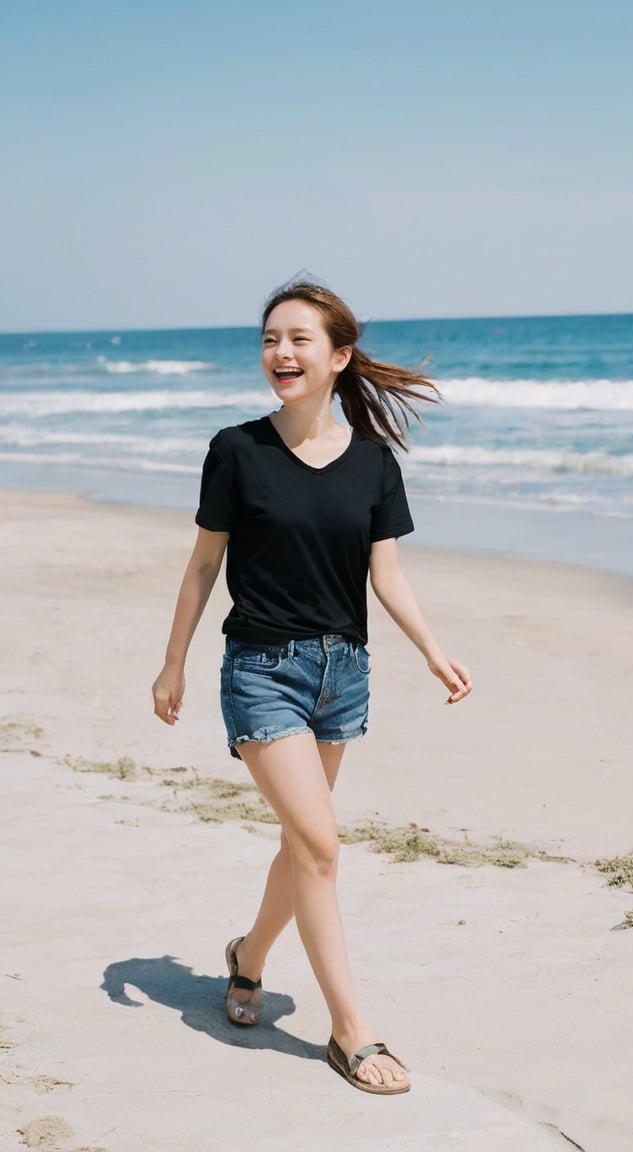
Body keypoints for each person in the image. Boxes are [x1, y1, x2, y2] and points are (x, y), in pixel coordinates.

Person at [151, 280, 472, 1095]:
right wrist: (174, 660)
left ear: (338, 357)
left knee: (305, 845)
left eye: (298, 340)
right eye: (269, 340)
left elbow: (386, 574)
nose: (281, 354)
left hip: (343, 675)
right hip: (260, 671)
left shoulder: (373, 463)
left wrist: (433, 650)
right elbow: (202, 564)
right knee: (323, 848)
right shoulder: (236, 449)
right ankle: (350, 1032)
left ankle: (248, 958)